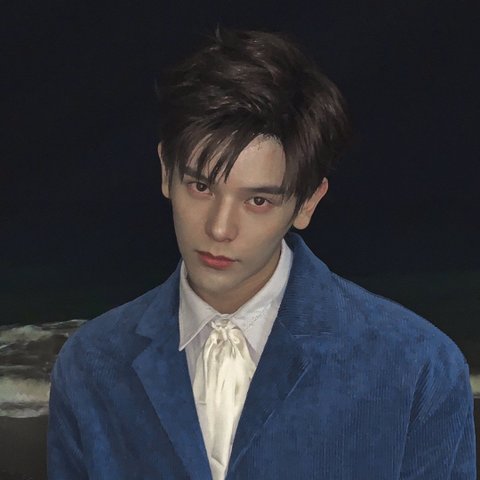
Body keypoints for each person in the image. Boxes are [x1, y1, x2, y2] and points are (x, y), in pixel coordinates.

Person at [47, 28, 476, 479]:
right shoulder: (91, 364)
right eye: (201, 186)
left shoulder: (418, 369)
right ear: (166, 172)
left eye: (258, 201)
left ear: (307, 203)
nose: (219, 228)